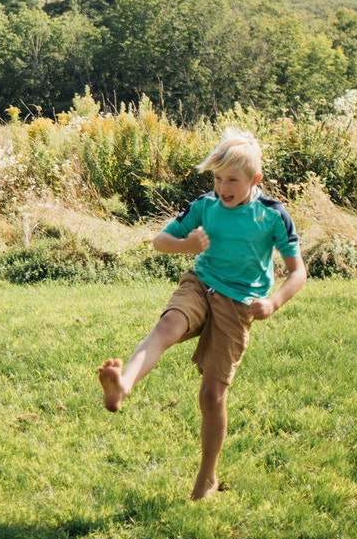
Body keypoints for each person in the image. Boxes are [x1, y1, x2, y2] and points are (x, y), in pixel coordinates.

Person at [97, 128, 306, 501]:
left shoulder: (273, 215)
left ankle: (207, 476)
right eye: (217, 178)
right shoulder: (206, 204)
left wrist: (274, 302)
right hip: (201, 282)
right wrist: (186, 245)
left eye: (232, 180)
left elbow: (298, 272)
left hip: (238, 302)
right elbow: (159, 241)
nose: (223, 187)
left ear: (255, 180)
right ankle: (123, 385)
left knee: (211, 395)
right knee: (168, 325)